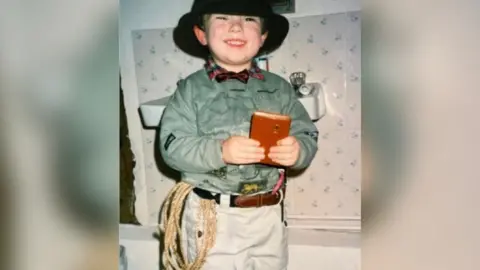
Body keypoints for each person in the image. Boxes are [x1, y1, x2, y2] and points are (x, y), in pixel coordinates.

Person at [158, 0, 319, 269]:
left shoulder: (280, 89)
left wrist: (299, 150)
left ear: (263, 37)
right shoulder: (189, 90)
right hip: (210, 215)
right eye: (222, 17)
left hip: (268, 215)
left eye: (249, 19)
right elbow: (172, 147)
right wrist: (220, 151)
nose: (236, 26)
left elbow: (306, 131)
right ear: (202, 34)